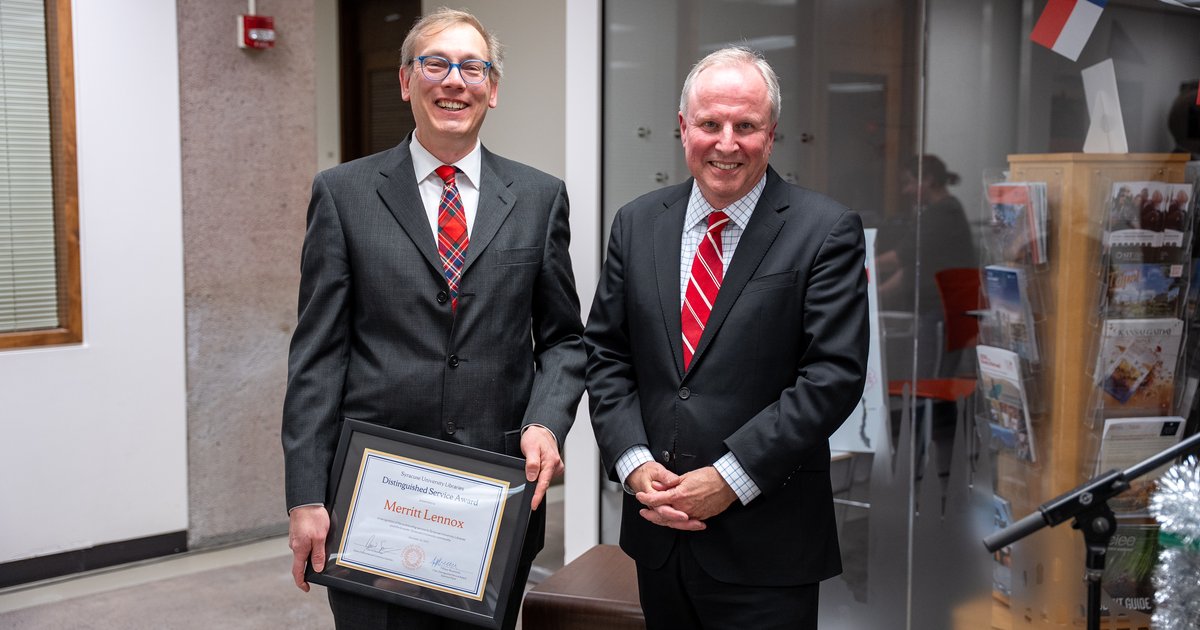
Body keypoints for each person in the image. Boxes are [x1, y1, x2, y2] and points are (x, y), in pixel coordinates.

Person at [281, 8, 585, 629]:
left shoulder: (537, 198)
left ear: (492, 89)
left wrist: (546, 423)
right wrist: (307, 495)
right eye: (436, 63)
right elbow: (317, 354)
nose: (454, 80)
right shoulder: (343, 194)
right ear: (405, 81)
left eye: (472, 67)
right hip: (371, 501)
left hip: (494, 500)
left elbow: (563, 341)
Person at [584, 46, 869, 629]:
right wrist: (634, 464)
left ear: (772, 134)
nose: (727, 142)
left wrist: (729, 479)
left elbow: (832, 376)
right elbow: (607, 355)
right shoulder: (637, 223)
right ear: (683, 128)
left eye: (747, 126)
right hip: (658, 532)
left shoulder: (824, 230)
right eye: (710, 124)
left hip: (768, 543)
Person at [876, 154, 976, 378]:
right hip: (938, 311)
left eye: (909, 182)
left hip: (941, 312)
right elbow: (911, 269)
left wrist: (860, 266)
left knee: (928, 381)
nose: (906, 191)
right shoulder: (943, 211)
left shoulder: (942, 214)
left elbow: (900, 258)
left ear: (928, 180)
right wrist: (876, 292)